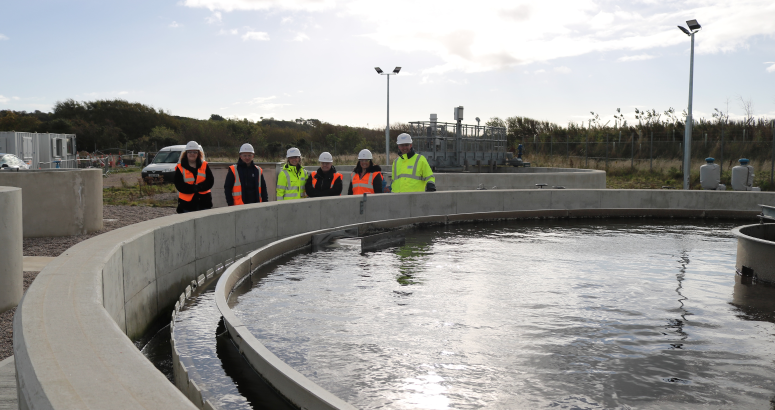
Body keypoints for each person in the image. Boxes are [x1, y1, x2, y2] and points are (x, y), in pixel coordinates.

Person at [174, 140, 214, 213]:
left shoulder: (204, 165)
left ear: (198, 153)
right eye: (190, 152)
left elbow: (210, 181)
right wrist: (193, 188)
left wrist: (199, 187)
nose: (192, 154)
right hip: (187, 205)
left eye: (195, 152)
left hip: (204, 202)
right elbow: (179, 185)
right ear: (186, 153)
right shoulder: (180, 167)